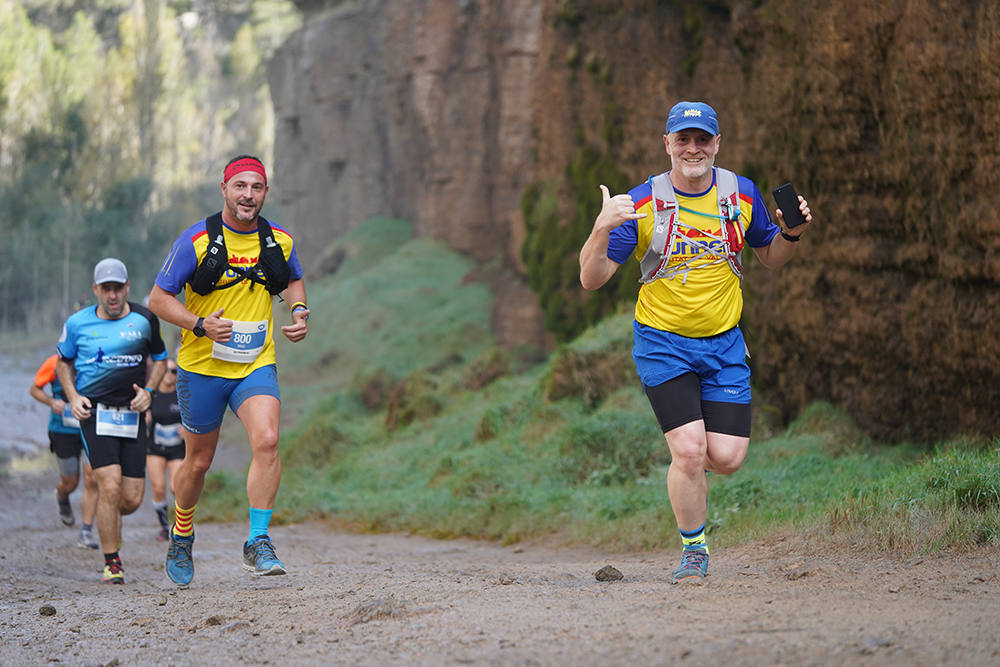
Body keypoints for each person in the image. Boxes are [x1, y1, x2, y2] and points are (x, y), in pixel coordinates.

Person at [579, 101, 812, 584]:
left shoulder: (740, 194)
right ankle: (694, 550)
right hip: (663, 343)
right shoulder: (642, 204)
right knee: (688, 452)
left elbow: (771, 256)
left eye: (702, 139)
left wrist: (790, 231)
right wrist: (602, 228)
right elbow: (592, 278)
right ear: (666, 144)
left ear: (716, 144)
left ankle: (686, 457)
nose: (692, 148)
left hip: (724, 345)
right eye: (682, 139)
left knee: (725, 457)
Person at [148, 154, 309, 587]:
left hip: (255, 363)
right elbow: (159, 299)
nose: (248, 195)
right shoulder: (196, 240)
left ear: (265, 193)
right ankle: (182, 533)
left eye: (256, 188)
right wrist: (199, 324)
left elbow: (293, 276)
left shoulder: (279, 241)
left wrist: (299, 310)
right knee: (198, 462)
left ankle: (258, 541)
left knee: (269, 439)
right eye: (240, 186)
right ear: (224, 189)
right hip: (202, 367)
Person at [56, 258, 167, 584]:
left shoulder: (145, 319)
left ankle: (106, 518)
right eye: (106, 289)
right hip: (95, 413)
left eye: (118, 288)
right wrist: (73, 397)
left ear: (127, 288)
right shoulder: (78, 324)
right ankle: (112, 561)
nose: (113, 295)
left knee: (130, 499)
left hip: (132, 413)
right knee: (109, 484)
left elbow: (160, 360)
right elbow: (63, 363)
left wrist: (149, 391)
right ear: (96, 290)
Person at [29, 354, 100, 549]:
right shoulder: (53, 362)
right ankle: (62, 495)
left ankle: (86, 531)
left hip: (91, 427)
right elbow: (34, 389)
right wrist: (51, 402)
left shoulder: (96, 358)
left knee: (92, 476)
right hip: (62, 429)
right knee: (70, 481)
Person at [145, 357, 184, 541]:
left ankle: (180, 526)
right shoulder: (151, 395)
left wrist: (187, 430)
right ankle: (163, 526)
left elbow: (193, 418)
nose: (169, 375)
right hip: (155, 447)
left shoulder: (182, 395)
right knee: (159, 488)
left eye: (174, 371)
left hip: (177, 448)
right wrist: (144, 418)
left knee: (176, 487)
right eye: (166, 370)